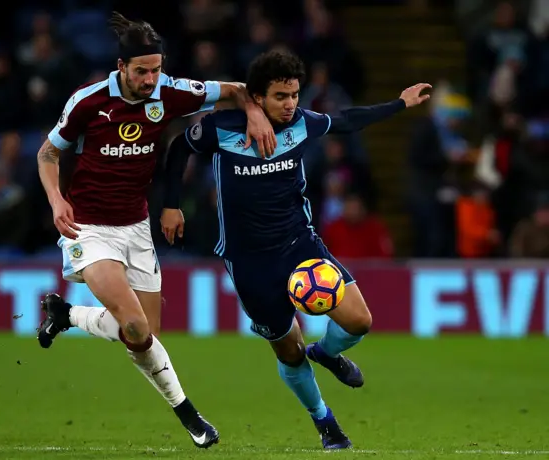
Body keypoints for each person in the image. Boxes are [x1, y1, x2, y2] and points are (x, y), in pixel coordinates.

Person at [160, 50, 430, 449]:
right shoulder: (223, 128)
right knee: (289, 352)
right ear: (257, 97)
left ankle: (327, 353)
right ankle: (325, 422)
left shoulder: (303, 123)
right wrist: (171, 204)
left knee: (359, 321)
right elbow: (178, 148)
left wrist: (400, 104)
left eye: (294, 95)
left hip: (299, 244)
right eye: (280, 97)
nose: (290, 105)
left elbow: (347, 121)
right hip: (249, 261)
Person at [34, 12, 276, 449]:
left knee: (143, 335)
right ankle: (191, 416)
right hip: (89, 229)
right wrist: (56, 200)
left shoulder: (171, 93)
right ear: (121, 67)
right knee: (136, 329)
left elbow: (237, 91)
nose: (150, 80)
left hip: (136, 227)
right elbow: (48, 154)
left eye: (156, 70)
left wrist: (255, 114)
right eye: (141, 71)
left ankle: (66, 315)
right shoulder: (88, 102)